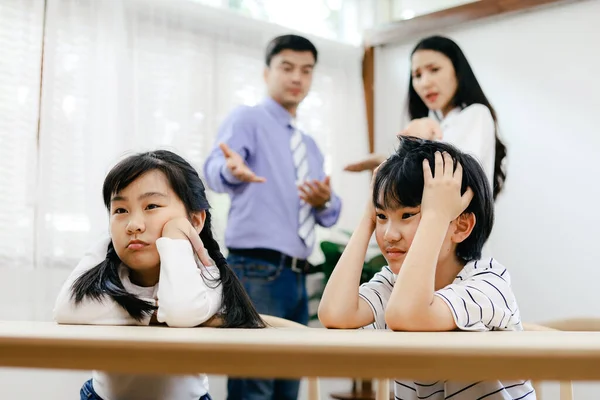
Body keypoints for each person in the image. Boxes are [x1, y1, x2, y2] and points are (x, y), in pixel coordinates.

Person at [318, 136, 535, 399]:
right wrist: (367, 217)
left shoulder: (488, 285)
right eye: (382, 217)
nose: (389, 234)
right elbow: (335, 313)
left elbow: (407, 315)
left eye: (408, 215)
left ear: (461, 226)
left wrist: (437, 215)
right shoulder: (394, 283)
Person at [53, 150, 265, 400]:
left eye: (151, 206)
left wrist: (176, 238)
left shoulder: (206, 272)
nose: (133, 225)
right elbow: (65, 309)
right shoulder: (109, 271)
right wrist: (152, 314)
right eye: (120, 210)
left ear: (195, 220)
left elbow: (180, 312)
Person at [203, 34, 342, 400]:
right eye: (287, 67)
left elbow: (329, 216)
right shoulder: (248, 119)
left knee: (287, 387)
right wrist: (233, 171)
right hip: (256, 270)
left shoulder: (309, 145)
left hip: (298, 277)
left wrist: (325, 201)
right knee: (254, 386)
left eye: (306, 70)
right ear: (267, 73)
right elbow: (215, 168)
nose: (297, 77)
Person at [345, 35, 507, 200]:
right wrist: (385, 162)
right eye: (417, 75)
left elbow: (450, 184)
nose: (425, 83)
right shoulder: (438, 125)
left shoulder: (475, 114)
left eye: (434, 70)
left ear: (458, 72)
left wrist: (414, 144)